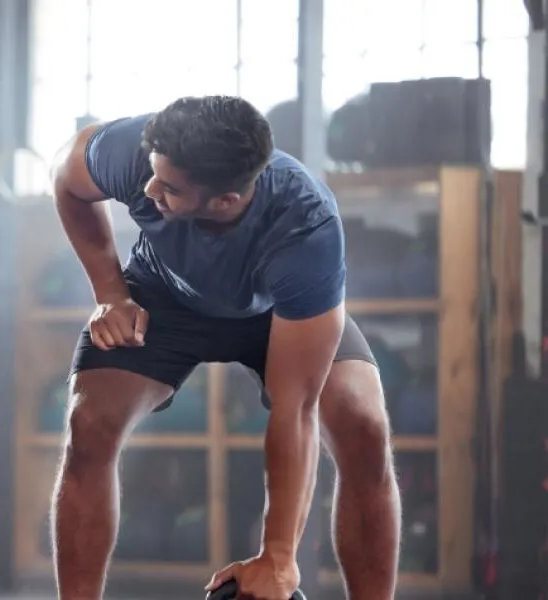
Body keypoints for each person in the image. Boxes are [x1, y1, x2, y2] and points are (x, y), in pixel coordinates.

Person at [48, 96, 401, 600]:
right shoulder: (139, 150)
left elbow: (295, 407)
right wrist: (110, 294)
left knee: (363, 426)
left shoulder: (306, 226)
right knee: (89, 421)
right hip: (162, 294)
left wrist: (278, 558)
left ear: (225, 202)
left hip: (276, 313)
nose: (148, 191)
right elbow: (67, 178)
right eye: (152, 175)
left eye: (168, 188)